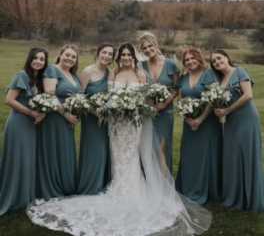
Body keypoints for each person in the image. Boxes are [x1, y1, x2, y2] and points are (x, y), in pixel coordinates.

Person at [27, 43, 211, 236]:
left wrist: (137, 107)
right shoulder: (113, 73)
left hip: (134, 123)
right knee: (118, 156)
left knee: (131, 156)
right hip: (115, 123)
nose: (125, 57)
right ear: (119, 57)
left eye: (128, 55)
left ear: (133, 57)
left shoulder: (140, 75)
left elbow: (145, 99)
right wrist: (113, 108)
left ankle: (134, 190)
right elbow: (108, 97)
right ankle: (117, 186)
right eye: (122, 54)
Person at [210, 49, 264, 211]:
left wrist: (226, 111)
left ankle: (250, 198)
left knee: (246, 154)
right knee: (233, 156)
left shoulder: (239, 71)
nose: (217, 62)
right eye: (214, 62)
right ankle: (235, 195)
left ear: (226, 57)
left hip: (246, 118)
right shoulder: (220, 79)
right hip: (231, 121)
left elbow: (248, 95)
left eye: (219, 58)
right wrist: (218, 110)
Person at [0, 48, 48, 215]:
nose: (38, 61)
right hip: (18, 123)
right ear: (30, 59)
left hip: (31, 125)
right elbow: (9, 100)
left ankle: (24, 196)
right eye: (35, 58)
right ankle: (12, 197)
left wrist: (41, 113)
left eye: (42, 59)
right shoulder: (22, 75)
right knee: (17, 159)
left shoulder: (39, 79)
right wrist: (31, 113)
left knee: (27, 160)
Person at [175, 48, 222, 204]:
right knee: (189, 155)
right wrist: (188, 118)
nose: (190, 61)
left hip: (207, 123)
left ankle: (207, 189)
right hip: (189, 124)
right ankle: (188, 187)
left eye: (192, 58)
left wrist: (200, 119)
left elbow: (212, 99)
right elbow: (181, 99)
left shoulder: (209, 74)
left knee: (205, 155)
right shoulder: (183, 77)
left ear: (199, 58)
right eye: (186, 60)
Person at [36, 44, 81, 199]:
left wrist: (77, 111)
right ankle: (52, 186)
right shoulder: (52, 69)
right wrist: (66, 114)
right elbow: (50, 94)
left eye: (73, 57)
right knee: (54, 150)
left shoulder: (74, 76)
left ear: (76, 61)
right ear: (60, 55)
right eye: (67, 55)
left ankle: (66, 185)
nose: (69, 58)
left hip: (68, 121)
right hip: (55, 118)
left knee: (66, 151)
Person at [138, 32, 179, 173]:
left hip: (165, 112)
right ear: (141, 51)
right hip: (147, 112)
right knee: (147, 146)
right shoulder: (141, 66)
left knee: (161, 148)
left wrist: (164, 104)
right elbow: (139, 88)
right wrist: (149, 104)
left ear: (156, 45)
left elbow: (176, 88)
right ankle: (147, 181)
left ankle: (164, 184)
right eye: (144, 48)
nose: (148, 50)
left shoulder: (171, 65)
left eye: (150, 46)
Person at [77, 43, 114, 194]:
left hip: (106, 120)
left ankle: (104, 183)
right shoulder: (87, 72)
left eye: (110, 54)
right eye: (104, 52)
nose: (106, 56)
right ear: (98, 53)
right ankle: (91, 186)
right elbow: (79, 97)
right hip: (92, 119)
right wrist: (95, 111)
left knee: (106, 151)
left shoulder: (110, 72)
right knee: (94, 151)